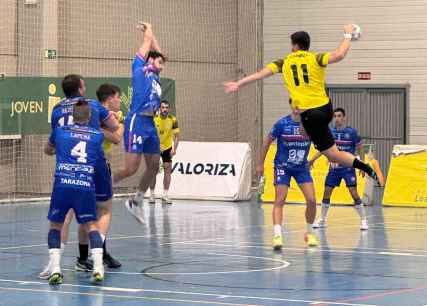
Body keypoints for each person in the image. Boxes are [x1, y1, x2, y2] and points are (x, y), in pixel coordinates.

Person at [224, 24, 384, 187]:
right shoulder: (315, 58)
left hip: (310, 114)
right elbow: (339, 54)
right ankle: (367, 168)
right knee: (332, 153)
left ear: (294, 46)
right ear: (307, 46)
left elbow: (260, 74)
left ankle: (312, 135)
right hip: (326, 108)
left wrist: (239, 83)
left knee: (313, 139)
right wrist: (347, 35)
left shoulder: (283, 62)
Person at [40, 74, 118, 279]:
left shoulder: (56, 110)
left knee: (62, 217)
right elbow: (115, 132)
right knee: (102, 209)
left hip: (66, 166)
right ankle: (97, 260)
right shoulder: (93, 106)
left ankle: (54, 264)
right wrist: (110, 121)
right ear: (81, 89)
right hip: (94, 163)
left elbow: (49, 147)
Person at [44, 99, 105, 285]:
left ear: (72, 116)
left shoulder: (60, 132)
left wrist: (59, 149)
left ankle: (55, 269)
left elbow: (47, 150)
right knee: (91, 227)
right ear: (89, 116)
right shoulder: (97, 135)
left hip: (62, 184)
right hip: (85, 186)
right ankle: (98, 268)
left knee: (56, 226)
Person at [113, 22, 166, 223]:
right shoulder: (139, 68)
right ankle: (104, 184)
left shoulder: (156, 74)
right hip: (136, 120)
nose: (162, 64)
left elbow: (159, 53)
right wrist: (149, 30)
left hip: (150, 124)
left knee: (153, 166)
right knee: (131, 169)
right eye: (159, 61)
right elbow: (147, 44)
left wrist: (154, 37)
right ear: (150, 61)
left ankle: (136, 201)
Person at [258, 109, 318, 250]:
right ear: (292, 105)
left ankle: (309, 233)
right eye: (295, 103)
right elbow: (267, 141)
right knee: (280, 199)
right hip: (283, 167)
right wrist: (260, 164)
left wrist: (315, 159)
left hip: (301, 168)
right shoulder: (282, 124)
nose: (298, 107)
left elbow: (324, 144)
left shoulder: (311, 125)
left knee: (312, 200)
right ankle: (277, 235)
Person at [310, 108, 368, 230]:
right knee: (327, 192)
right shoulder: (329, 132)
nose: (337, 118)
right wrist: (312, 159)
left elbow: (361, 148)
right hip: (334, 169)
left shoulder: (352, 132)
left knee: (354, 193)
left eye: (339, 116)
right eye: (335, 116)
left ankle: (363, 220)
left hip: (348, 168)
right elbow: (323, 149)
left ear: (344, 117)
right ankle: (322, 220)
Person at [95, 83, 125, 267]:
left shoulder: (104, 115)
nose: (120, 100)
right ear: (110, 98)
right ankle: (96, 254)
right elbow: (116, 138)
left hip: (98, 164)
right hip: (96, 165)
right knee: (103, 210)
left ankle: (100, 253)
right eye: (118, 97)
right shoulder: (100, 115)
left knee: (97, 211)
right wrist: (121, 124)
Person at [148, 100, 180, 205]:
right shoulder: (154, 119)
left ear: (168, 109)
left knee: (167, 169)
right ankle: (152, 195)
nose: (165, 109)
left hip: (167, 148)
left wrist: (174, 149)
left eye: (166, 107)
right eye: (163, 107)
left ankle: (165, 195)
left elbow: (177, 137)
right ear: (159, 108)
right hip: (155, 147)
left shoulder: (173, 120)